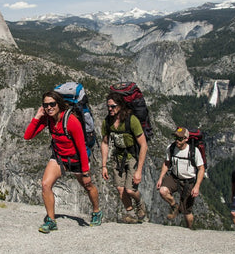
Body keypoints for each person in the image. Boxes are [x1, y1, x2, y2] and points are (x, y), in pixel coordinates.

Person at [24, 91, 102, 233]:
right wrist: (37, 117)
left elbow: (81, 147)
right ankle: (51, 221)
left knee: (88, 185)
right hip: (60, 158)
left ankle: (96, 211)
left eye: (52, 104)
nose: (49, 108)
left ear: (59, 104)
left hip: (76, 158)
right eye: (46, 105)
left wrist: (85, 170)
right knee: (45, 184)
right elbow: (28, 136)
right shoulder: (47, 119)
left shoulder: (71, 121)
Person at [101, 92, 148, 224]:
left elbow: (143, 145)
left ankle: (139, 202)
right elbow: (105, 142)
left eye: (113, 106)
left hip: (131, 157)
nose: (110, 109)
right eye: (108, 107)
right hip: (118, 157)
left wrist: (139, 170)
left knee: (130, 190)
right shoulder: (107, 121)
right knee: (120, 189)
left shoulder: (131, 120)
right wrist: (104, 165)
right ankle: (131, 214)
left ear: (121, 105)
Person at [156, 127, 205, 229]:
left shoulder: (194, 151)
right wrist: (161, 178)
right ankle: (175, 206)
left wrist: (197, 186)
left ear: (186, 139)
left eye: (180, 139)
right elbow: (167, 163)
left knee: (187, 212)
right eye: (176, 138)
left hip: (189, 181)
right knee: (163, 191)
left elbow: (201, 169)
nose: (177, 141)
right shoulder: (171, 148)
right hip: (174, 178)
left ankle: (189, 228)